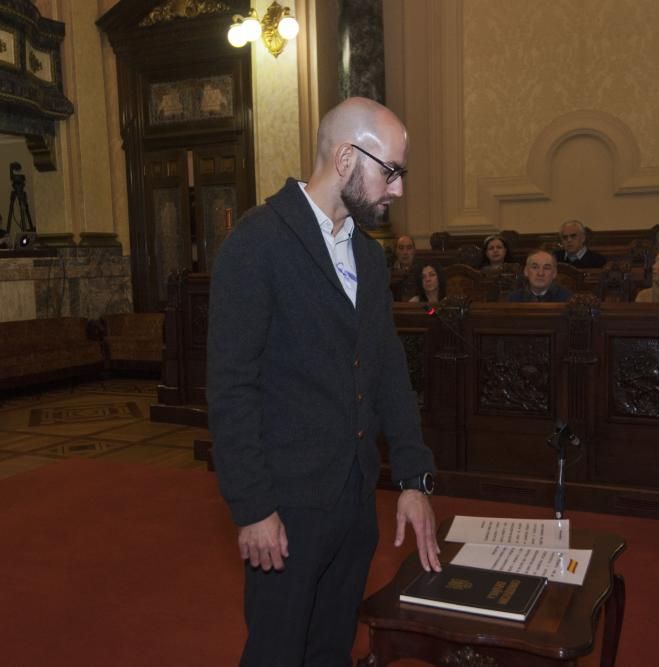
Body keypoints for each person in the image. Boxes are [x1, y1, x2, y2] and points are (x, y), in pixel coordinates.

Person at [207, 97, 441, 666]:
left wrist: (413, 478)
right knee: (277, 653)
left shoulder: (369, 255)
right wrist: (252, 507)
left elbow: (387, 369)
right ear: (344, 158)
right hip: (285, 510)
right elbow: (230, 385)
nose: (397, 189)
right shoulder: (256, 243)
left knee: (331, 650)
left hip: (354, 503)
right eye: (391, 172)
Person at [507, 249, 572, 302]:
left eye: (546, 268)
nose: (540, 273)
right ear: (526, 271)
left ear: (554, 273)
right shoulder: (514, 298)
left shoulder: (567, 298)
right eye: (535, 267)